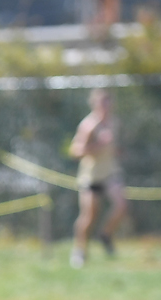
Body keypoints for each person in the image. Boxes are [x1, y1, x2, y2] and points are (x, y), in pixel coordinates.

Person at [69, 88, 127, 268]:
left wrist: (117, 151)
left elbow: (113, 147)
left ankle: (105, 234)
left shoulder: (114, 123)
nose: (106, 106)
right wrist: (98, 145)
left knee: (122, 206)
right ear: (94, 104)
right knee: (89, 216)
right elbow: (76, 151)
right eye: (102, 102)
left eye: (108, 102)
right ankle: (80, 250)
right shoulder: (88, 125)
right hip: (91, 176)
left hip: (110, 173)